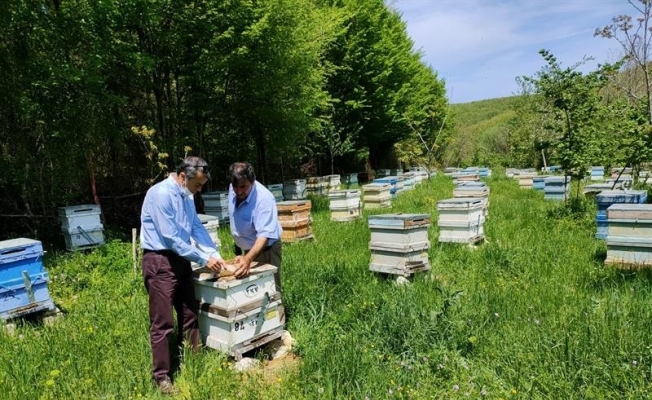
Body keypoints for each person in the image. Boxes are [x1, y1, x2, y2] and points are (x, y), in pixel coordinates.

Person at [140, 156, 226, 396]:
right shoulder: (160, 194)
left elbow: (195, 228)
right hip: (159, 260)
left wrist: (214, 253)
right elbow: (170, 238)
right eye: (197, 185)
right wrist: (202, 259)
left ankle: (193, 359)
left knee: (190, 312)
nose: (199, 190)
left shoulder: (187, 198)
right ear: (182, 177)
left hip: (181, 260)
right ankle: (161, 377)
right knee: (163, 322)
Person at [227, 162, 283, 290]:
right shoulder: (233, 187)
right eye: (235, 187)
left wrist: (248, 259)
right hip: (248, 251)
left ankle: (278, 310)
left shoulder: (264, 199)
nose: (239, 191)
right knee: (252, 291)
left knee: (271, 289)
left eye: (243, 187)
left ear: (252, 181)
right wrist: (246, 256)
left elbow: (264, 236)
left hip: (266, 250)